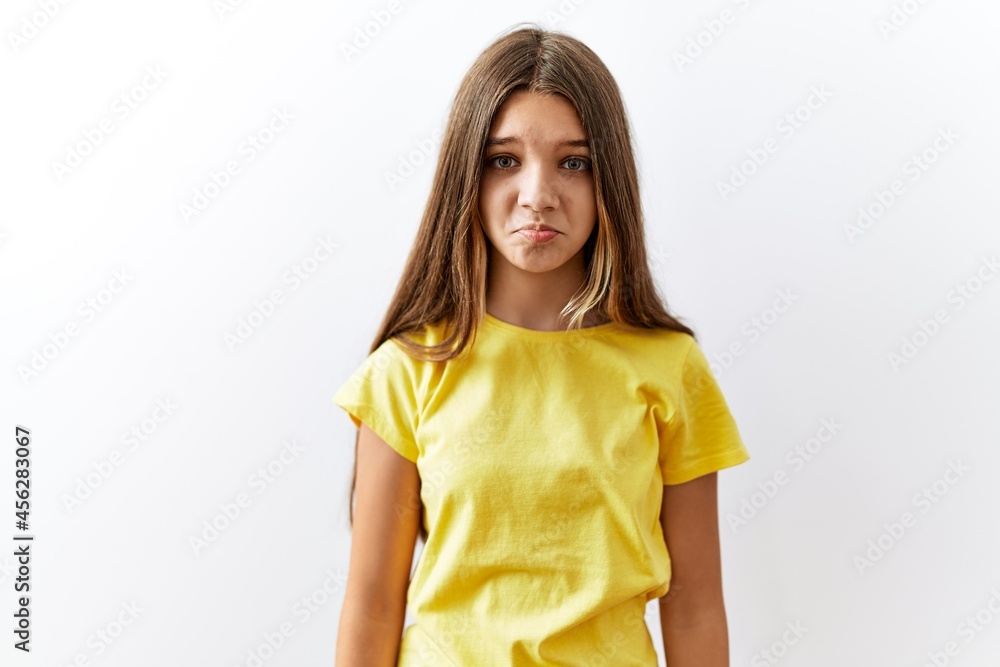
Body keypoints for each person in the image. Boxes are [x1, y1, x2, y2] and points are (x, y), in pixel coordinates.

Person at [332, 23, 750, 666]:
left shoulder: (671, 370)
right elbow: (372, 605)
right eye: (505, 160)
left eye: (573, 162)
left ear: (608, 179)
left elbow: (694, 608)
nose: (538, 196)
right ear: (464, 178)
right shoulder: (405, 373)